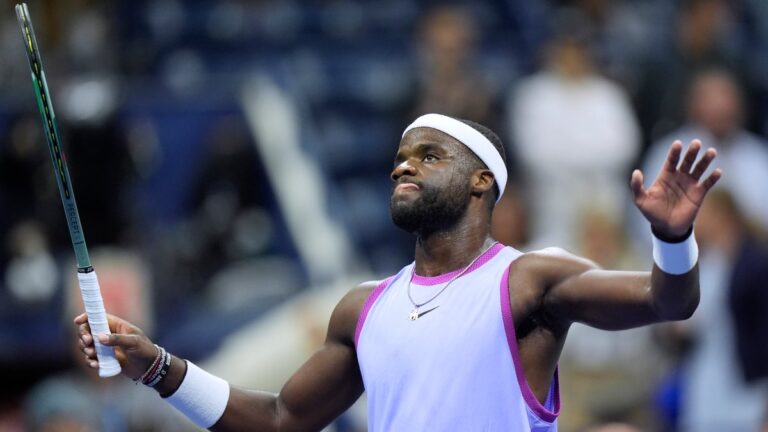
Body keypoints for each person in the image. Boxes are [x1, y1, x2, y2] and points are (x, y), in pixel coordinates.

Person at [76, 114, 720, 431]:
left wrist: (673, 236)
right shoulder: (362, 309)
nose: (402, 166)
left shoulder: (529, 280)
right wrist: (156, 366)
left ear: (480, 182)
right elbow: (279, 422)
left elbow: (667, 301)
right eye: (400, 156)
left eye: (428, 155)